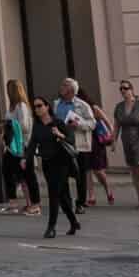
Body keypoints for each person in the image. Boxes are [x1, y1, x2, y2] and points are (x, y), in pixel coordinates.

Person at [25, 95, 82, 237]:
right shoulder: (37, 126)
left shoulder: (58, 123)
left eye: (40, 106)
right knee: (61, 195)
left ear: (47, 107)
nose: (37, 109)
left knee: (53, 193)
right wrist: (26, 159)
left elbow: (70, 139)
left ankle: (51, 227)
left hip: (61, 163)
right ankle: (73, 222)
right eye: (35, 107)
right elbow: (32, 144)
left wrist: (60, 134)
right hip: (47, 163)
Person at [52, 78, 95, 215]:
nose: (61, 87)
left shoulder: (82, 105)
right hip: (61, 143)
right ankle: (67, 202)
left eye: (64, 85)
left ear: (71, 90)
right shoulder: (56, 104)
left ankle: (80, 203)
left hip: (78, 145)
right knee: (61, 174)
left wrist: (79, 125)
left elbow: (92, 124)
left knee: (80, 175)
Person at [112, 81, 139, 209]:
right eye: (121, 89)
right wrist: (113, 141)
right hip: (126, 141)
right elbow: (116, 126)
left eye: (125, 88)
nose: (123, 90)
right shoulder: (119, 107)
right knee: (133, 170)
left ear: (132, 89)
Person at [0, 79, 39, 215]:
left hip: (22, 145)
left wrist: (9, 125)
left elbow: (24, 126)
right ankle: (14, 202)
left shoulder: (21, 106)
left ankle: (33, 204)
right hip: (11, 146)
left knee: (26, 175)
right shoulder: (11, 106)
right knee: (9, 172)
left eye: (9, 88)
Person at [83, 100, 118, 208]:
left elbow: (108, 123)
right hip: (84, 142)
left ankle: (107, 189)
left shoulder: (94, 108)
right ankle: (91, 196)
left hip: (97, 143)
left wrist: (113, 140)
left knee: (98, 171)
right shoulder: (75, 109)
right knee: (87, 170)